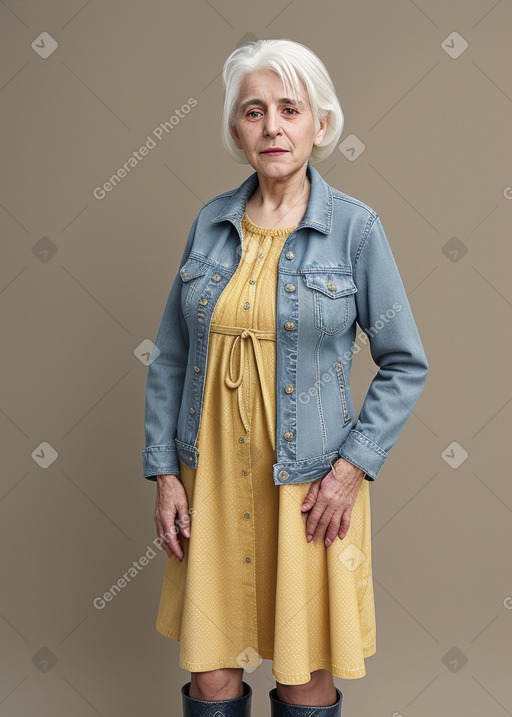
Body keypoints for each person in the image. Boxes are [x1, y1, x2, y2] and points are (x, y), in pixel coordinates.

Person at [142, 38, 428, 717]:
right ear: (236, 130)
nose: (272, 125)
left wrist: (350, 470)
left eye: (289, 109)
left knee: (304, 677)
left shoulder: (356, 230)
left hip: (309, 491)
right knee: (211, 674)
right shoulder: (208, 225)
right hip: (209, 482)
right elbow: (171, 358)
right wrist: (164, 474)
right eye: (254, 111)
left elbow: (406, 361)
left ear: (318, 125)